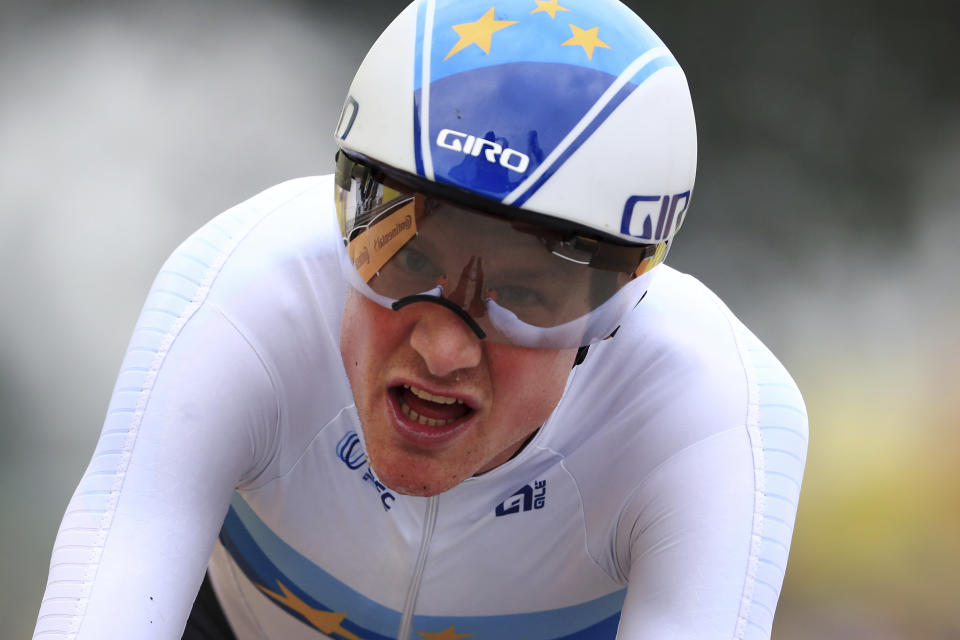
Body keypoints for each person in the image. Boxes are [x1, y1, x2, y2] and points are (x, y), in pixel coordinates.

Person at [33, 1, 808, 638]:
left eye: (525, 297)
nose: (441, 348)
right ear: (351, 220)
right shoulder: (244, 293)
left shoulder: (710, 417)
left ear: (616, 308)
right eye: (403, 259)